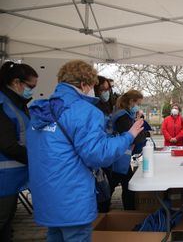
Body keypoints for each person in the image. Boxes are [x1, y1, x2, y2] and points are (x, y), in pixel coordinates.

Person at [26, 60, 144, 241]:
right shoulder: (84, 111)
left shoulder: (41, 109)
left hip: (45, 193)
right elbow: (98, 154)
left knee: (55, 235)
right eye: (93, 86)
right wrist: (129, 136)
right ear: (84, 84)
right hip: (72, 194)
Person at [0, 62, 38, 242]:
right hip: (3, 179)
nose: (32, 91)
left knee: (7, 224)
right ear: (16, 82)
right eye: (31, 86)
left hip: (12, 178)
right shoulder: (3, 104)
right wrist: (36, 158)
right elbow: (7, 145)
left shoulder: (17, 104)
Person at [110, 89, 150, 210]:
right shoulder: (123, 117)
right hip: (119, 158)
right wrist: (139, 124)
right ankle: (127, 211)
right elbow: (134, 137)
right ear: (131, 101)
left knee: (123, 183)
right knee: (125, 185)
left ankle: (125, 209)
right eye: (138, 103)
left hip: (120, 156)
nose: (138, 107)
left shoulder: (123, 114)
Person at [94, 76, 114, 213]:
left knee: (107, 187)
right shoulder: (93, 108)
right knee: (102, 192)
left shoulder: (109, 105)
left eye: (108, 89)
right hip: (99, 154)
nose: (105, 92)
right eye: (102, 90)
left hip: (109, 152)